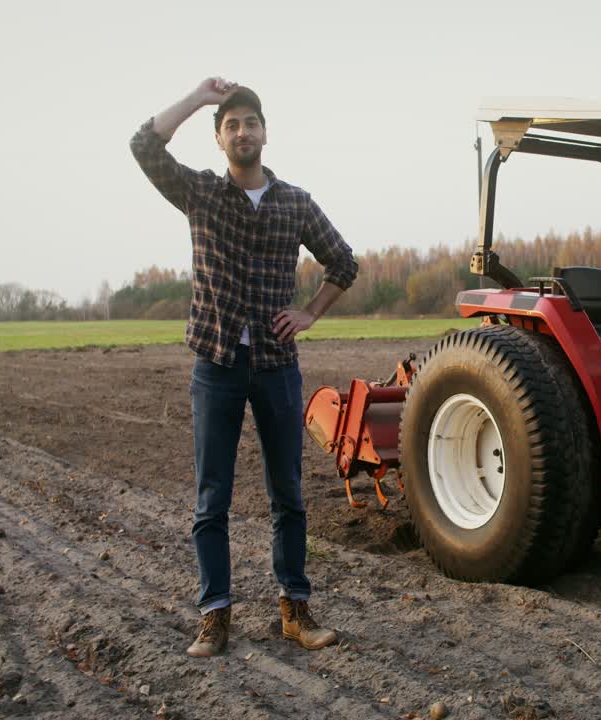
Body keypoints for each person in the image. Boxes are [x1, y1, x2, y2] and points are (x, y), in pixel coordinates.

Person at [130, 77, 358, 657]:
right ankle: (215, 615)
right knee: (212, 499)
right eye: (230, 124)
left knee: (288, 495)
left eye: (250, 122)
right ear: (219, 137)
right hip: (217, 364)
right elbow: (143, 146)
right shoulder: (201, 194)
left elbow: (343, 262)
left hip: (278, 365)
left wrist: (310, 311)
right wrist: (197, 97)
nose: (242, 131)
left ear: (264, 132)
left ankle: (295, 612)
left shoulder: (295, 202)